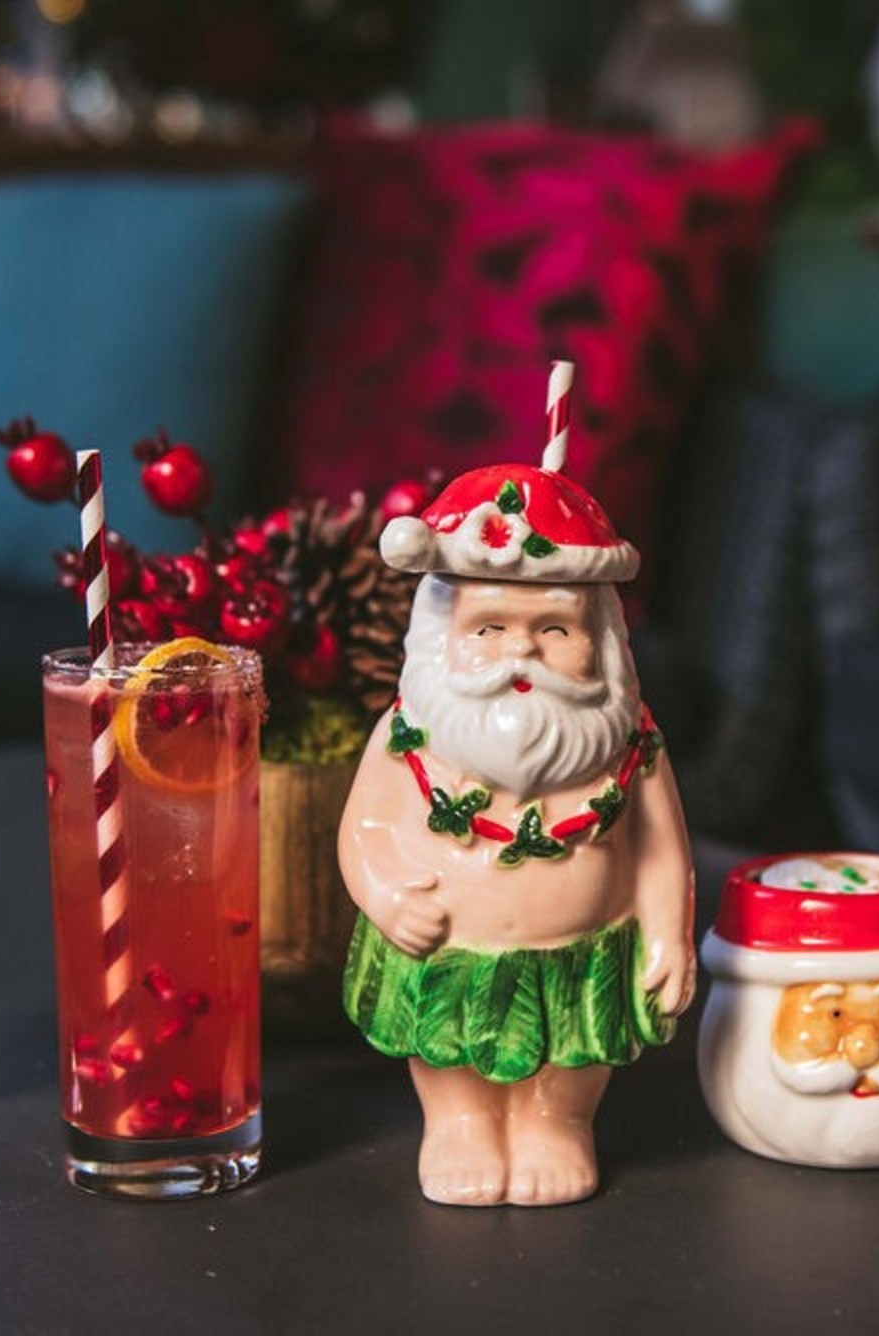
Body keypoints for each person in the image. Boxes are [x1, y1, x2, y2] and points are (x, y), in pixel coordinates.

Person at [338, 454, 695, 1207]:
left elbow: (663, 851)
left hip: (581, 949)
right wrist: (384, 894)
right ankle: (459, 1125)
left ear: (603, 642)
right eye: (489, 628)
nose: (522, 651)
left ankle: (556, 1125)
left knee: (571, 1050)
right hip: (446, 950)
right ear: (442, 637)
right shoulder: (410, 735)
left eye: (555, 627)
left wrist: (668, 933)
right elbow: (364, 828)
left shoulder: (629, 745)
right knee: (446, 1043)